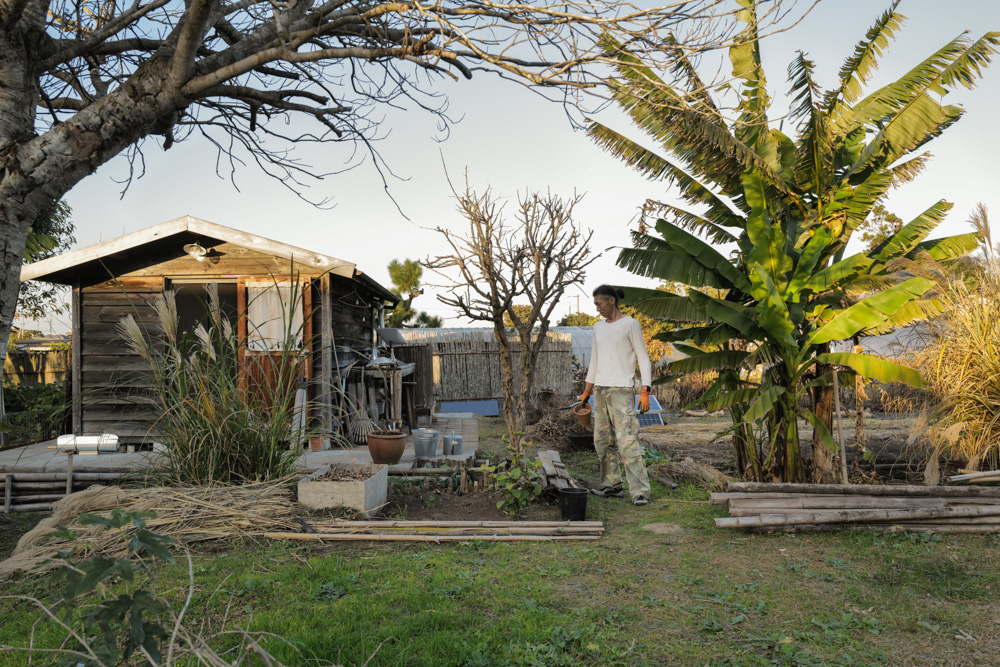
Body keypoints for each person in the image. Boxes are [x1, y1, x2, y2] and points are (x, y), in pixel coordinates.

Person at [578, 285, 653, 506]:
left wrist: (645, 390)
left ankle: (639, 491)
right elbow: (595, 361)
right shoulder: (597, 328)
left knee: (628, 441)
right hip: (600, 390)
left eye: (599, 304)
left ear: (611, 301)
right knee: (602, 440)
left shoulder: (630, 324)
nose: (597, 308)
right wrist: (586, 391)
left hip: (622, 390)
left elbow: (644, 358)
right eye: (595, 305)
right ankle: (612, 486)